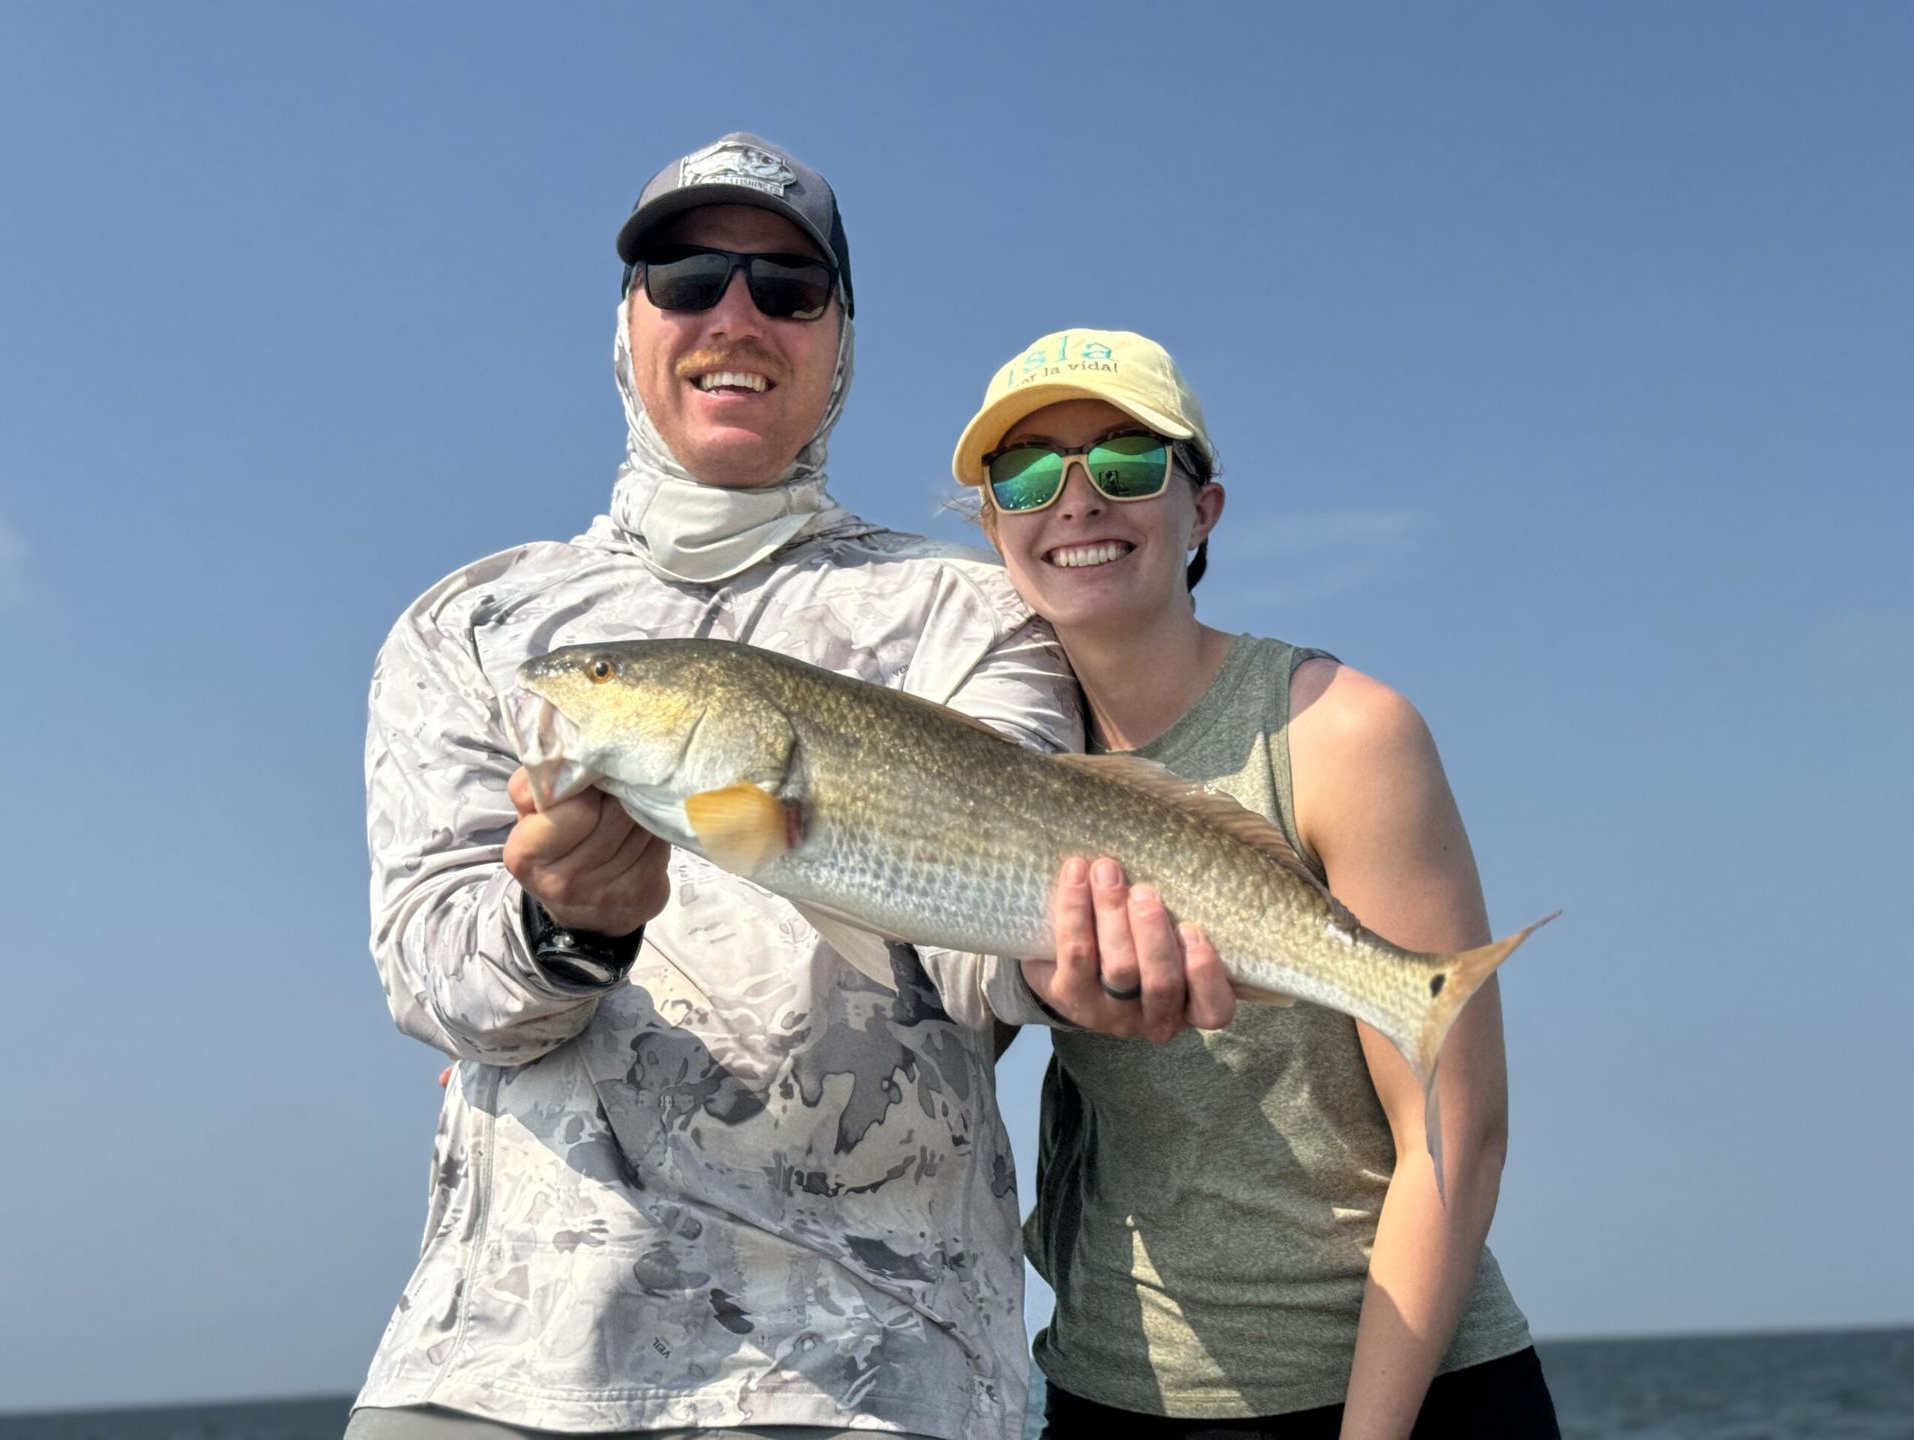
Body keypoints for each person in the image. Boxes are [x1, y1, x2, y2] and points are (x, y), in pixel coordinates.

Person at [349, 142, 1233, 1440]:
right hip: (509, 1364)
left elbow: (982, 944)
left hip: (881, 1369)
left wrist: (1073, 970)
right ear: (628, 325)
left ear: (840, 341)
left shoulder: (968, 611)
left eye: (788, 286)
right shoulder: (473, 623)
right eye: (686, 275)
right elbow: (430, 975)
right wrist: (561, 931)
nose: (735, 316)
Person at [951, 329, 1562, 1439]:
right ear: (993, 525)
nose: (1076, 501)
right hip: (1105, 1390)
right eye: (1028, 471)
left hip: (1405, 1394)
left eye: (1127, 463)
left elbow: (1456, 1135)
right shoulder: (994, 754)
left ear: (1205, 511)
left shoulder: (1343, 734)